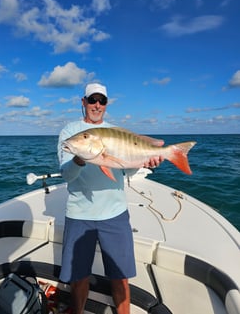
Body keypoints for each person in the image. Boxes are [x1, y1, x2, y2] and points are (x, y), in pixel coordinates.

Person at [57, 83, 163, 314]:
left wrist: (146, 161)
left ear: (106, 104)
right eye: (92, 100)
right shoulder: (69, 133)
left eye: (101, 101)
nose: (96, 105)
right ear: (83, 102)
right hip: (79, 215)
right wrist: (79, 158)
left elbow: (127, 170)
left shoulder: (117, 131)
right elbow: (66, 174)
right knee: (78, 276)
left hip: (115, 213)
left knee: (120, 275)